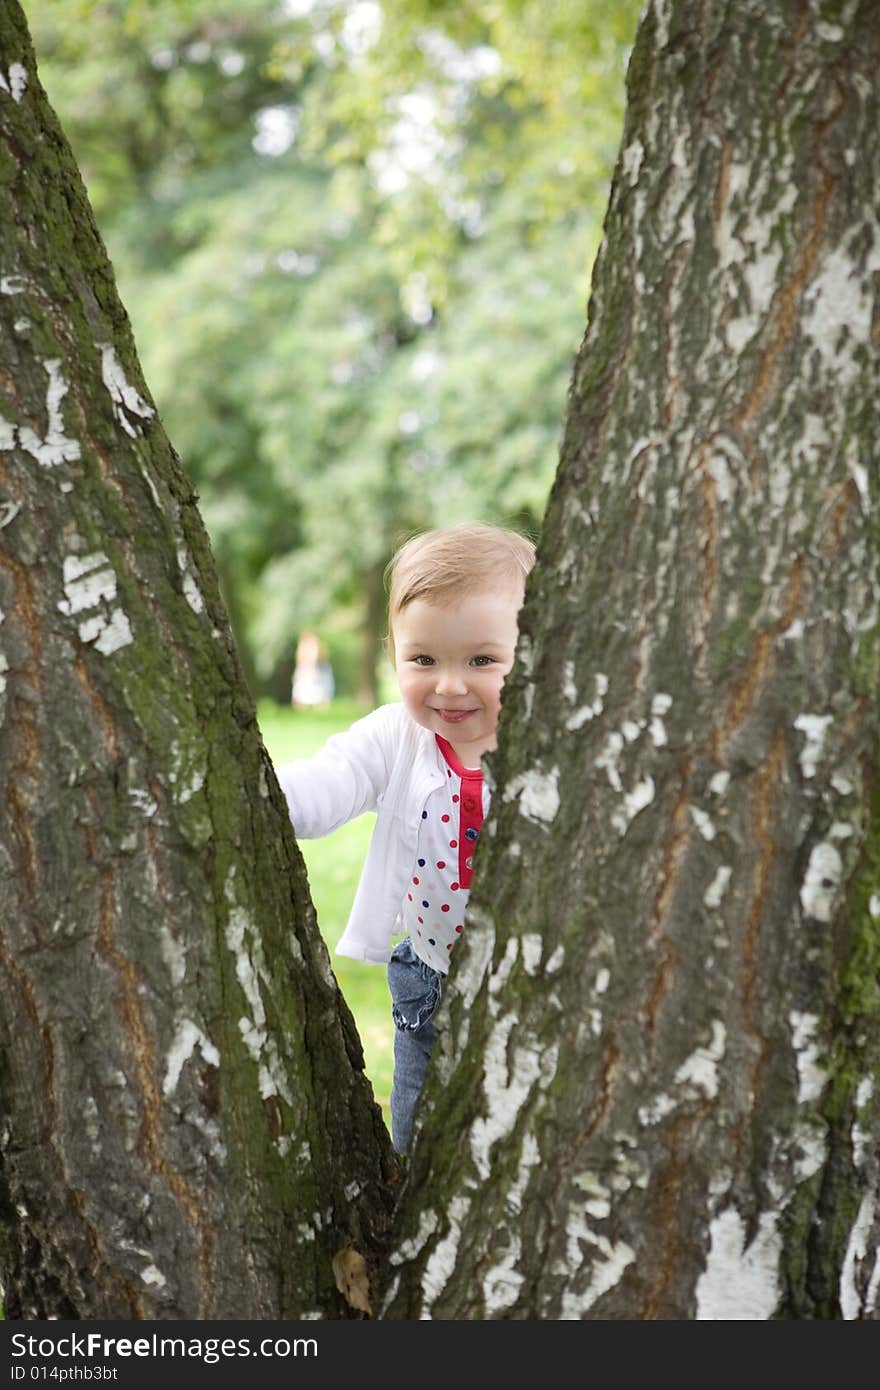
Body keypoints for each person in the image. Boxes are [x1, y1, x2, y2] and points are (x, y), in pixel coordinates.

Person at [275, 522, 536, 1152]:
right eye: (423, 660)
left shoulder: (547, 744)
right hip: (431, 982)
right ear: (393, 652)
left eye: (482, 660)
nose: (449, 685)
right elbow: (327, 784)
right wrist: (259, 792)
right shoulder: (396, 737)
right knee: (419, 1140)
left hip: (531, 990)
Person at [291, 630, 335, 709]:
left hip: (318, 692)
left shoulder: (323, 667)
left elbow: (327, 684)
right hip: (304, 692)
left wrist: (326, 699)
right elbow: (296, 684)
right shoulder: (301, 667)